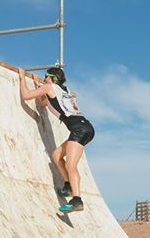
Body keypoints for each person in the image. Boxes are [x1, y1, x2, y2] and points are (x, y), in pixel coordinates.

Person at [18, 67, 94, 213]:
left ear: (51, 78)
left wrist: (22, 78)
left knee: (71, 165)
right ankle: (68, 186)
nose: (44, 79)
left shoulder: (49, 87)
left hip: (79, 129)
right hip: (85, 127)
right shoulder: (64, 91)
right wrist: (38, 87)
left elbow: (26, 96)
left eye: (46, 76)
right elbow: (43, 104)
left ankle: (77, 200)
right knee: (57, 155)